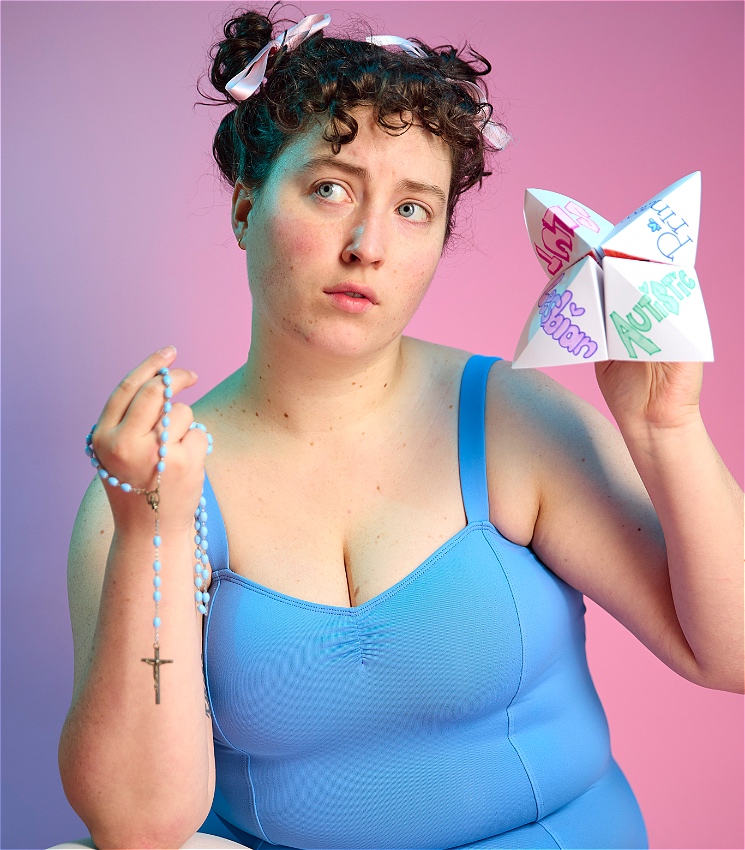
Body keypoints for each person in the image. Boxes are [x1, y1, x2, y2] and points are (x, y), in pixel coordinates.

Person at [56, 6, 744, 849]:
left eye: (413, 209)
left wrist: (666, 428)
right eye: (330, 188)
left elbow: (733, 657)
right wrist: (152, 535)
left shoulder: (506, 420)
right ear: (244, 210)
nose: (368, 244)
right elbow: (138, 827)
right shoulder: (151, 483)